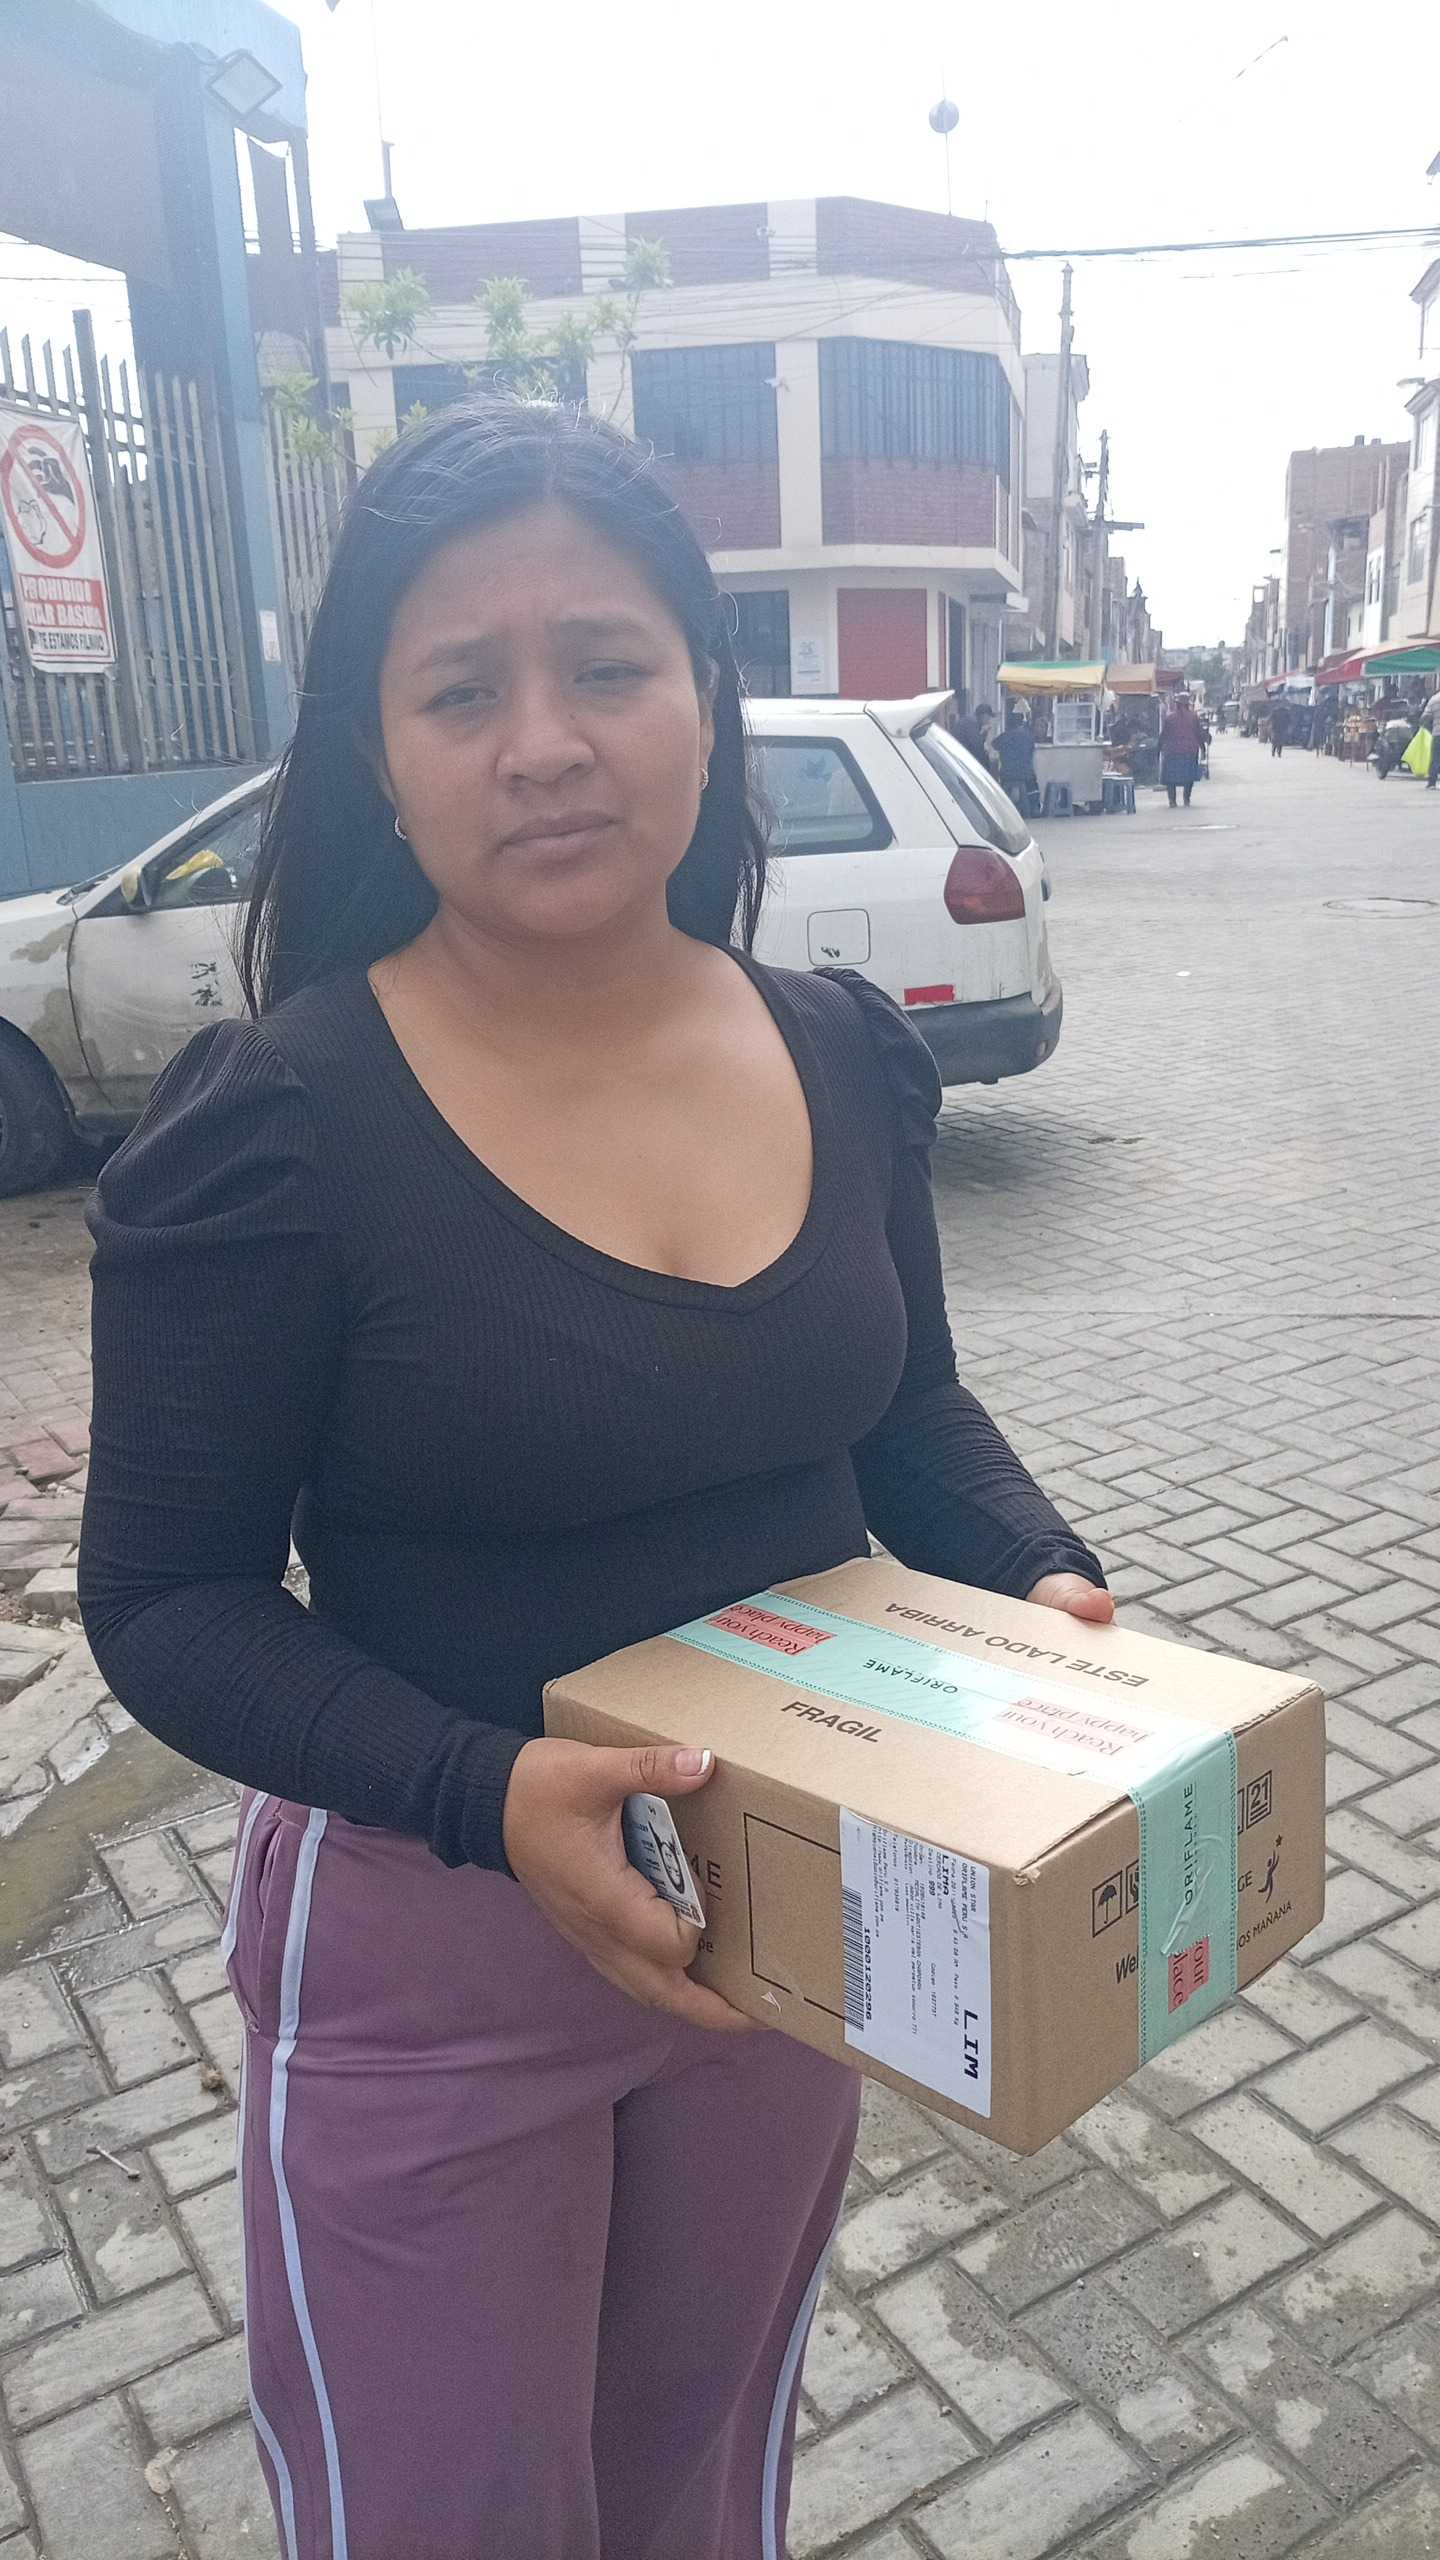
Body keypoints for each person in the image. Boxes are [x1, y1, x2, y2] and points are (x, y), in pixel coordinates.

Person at [76, 400, 1110, 2560]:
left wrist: (1037, 1577)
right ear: (379, 754)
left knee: (698, 2476)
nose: (544, 743)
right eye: (463, 690)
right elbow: (165, 1598)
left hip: (780, 1921)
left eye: (607, 666)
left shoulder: (841, 1050)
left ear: (704, 702)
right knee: (446, 2515)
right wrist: (483, 1790)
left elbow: (903, 1406)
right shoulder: (276, 1124)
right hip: (431, 1947)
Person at [1159, 692, 1206, 807]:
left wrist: (1158, 749)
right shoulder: (1193, 717)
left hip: (1172, 751)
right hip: (1189, 751)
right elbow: (1199, 735)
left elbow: (1163, 735)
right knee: (1189, 777)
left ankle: (1172, 801)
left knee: (1170, 778)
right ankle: (1186, 799)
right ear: (1188, 704)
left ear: (1177, 704)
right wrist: (1203, 749)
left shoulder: (1170, 718)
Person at [995, 704, 1038, 811]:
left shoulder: (1004, 736)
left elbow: (994, 745)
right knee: (1032, 785)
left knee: (1004, 786)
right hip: (1026, 774)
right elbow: (1032, 750)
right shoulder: (1028, 736)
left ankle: (1004, 809)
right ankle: (1032, 808)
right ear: (1021, 723)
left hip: (1006, 774)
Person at [954, 699, 996, 768]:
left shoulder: (970, 722)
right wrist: (984, 734)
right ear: (984, 716)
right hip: (962, 759)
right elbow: (977, 747)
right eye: (989, 717)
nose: (989, 720)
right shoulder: (971, 724)